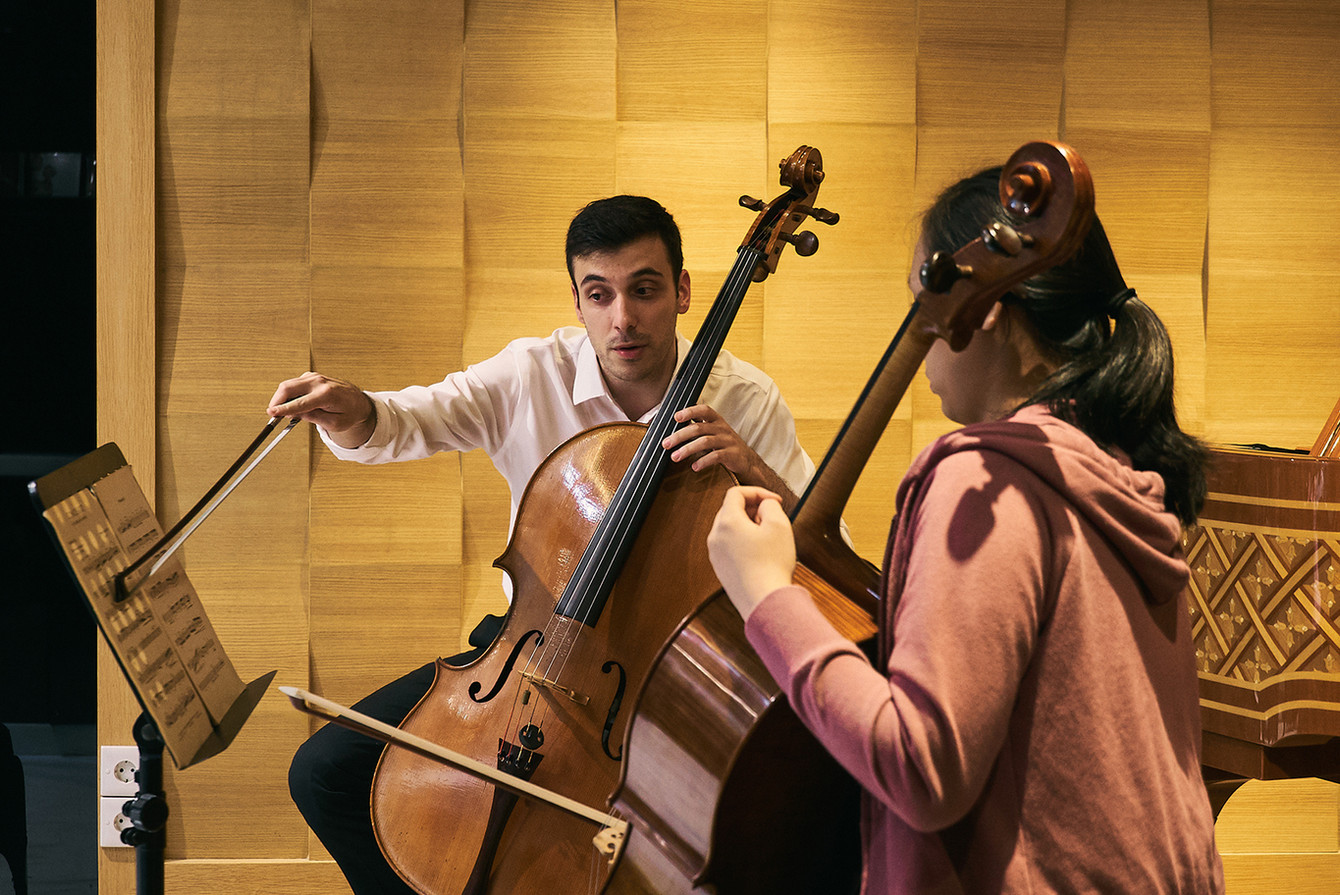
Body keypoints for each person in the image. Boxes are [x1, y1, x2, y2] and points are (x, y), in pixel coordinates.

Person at [270, 195, 817, 894]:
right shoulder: (532, 372)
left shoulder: (745, 397)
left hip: (659, 677)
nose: (623, 318)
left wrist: (756, 469)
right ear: (578, 300)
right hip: (525, 649)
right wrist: (357, 409)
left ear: (682, 291)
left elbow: (820, 548)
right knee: (325, 773)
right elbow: (408, 418)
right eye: (601, 294)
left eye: (645, 289)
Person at [707, 168, 1225, 894]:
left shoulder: (986, 482)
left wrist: (764, 593)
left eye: (923, 296)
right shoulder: (1110, 472)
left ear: (980, 310)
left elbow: (924, 767)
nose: (919, 330)